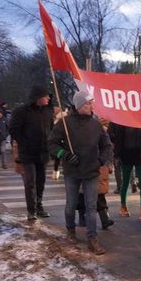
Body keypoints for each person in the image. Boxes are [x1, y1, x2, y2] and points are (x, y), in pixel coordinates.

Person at [48, 90, 113, 255]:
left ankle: (92, 238)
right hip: (72, 171)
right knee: (71, 204)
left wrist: (100, 161)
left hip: (91, 170)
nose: (91, 106)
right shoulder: (64, 123)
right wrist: (64, 154)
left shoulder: (95, 124)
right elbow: (52, 144)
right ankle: (70, 230)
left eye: (91, 103)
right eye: (87, 103)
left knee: (91, 206)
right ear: (78, 106)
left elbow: (107, 145)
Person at [9, 85, 53, 221]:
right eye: (46, 96)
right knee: (30, 181)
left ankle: (39, 206)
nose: (48, 98)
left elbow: (50, 128)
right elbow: (14, 129)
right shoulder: (21, 111)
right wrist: (25, 143)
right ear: (38, 97)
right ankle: (31, 209)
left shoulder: (47, 110)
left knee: (41, 181)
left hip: (43, 152)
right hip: (28, 153)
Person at [114, 124, 141, 222]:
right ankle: (123, 206)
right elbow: (119, 139)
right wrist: (116, 155)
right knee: (125, 181)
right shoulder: (124, 122)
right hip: (126, 155)